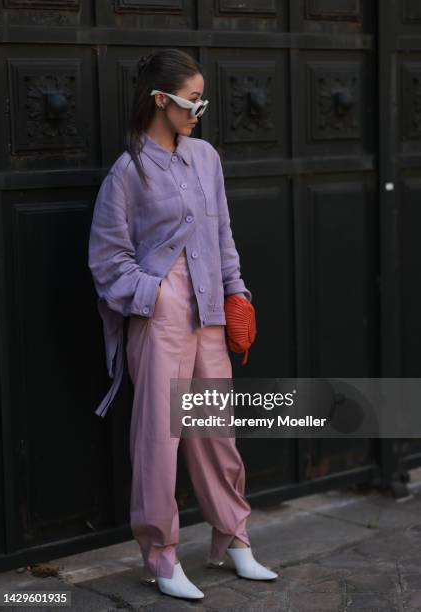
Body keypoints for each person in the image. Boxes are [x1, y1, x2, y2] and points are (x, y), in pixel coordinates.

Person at [88, 48, 278, 601]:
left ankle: (234, 539)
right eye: (192, 99)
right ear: (159, 100)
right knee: (159, 439)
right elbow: (107, 259)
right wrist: (156, 295)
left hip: (211, 313)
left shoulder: (206, 158)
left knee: (215, 434)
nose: (199, 109)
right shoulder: (129, 171)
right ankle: (161, 554)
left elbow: (221, 234)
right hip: (161, 319)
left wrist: (236, 291)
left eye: (202, 98)